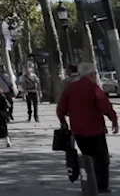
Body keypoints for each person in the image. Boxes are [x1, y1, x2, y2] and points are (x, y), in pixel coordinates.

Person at [57, 62, 118, 194]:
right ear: (91, 74)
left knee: (87, 156)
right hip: (95, 129)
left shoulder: (71, 88)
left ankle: (89, 182)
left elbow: (60, 108)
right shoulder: (93, 87)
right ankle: (102, 185)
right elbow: (105, 106)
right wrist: (114, 120)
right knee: (102, 159)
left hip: (78, 129)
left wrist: (63, 122)